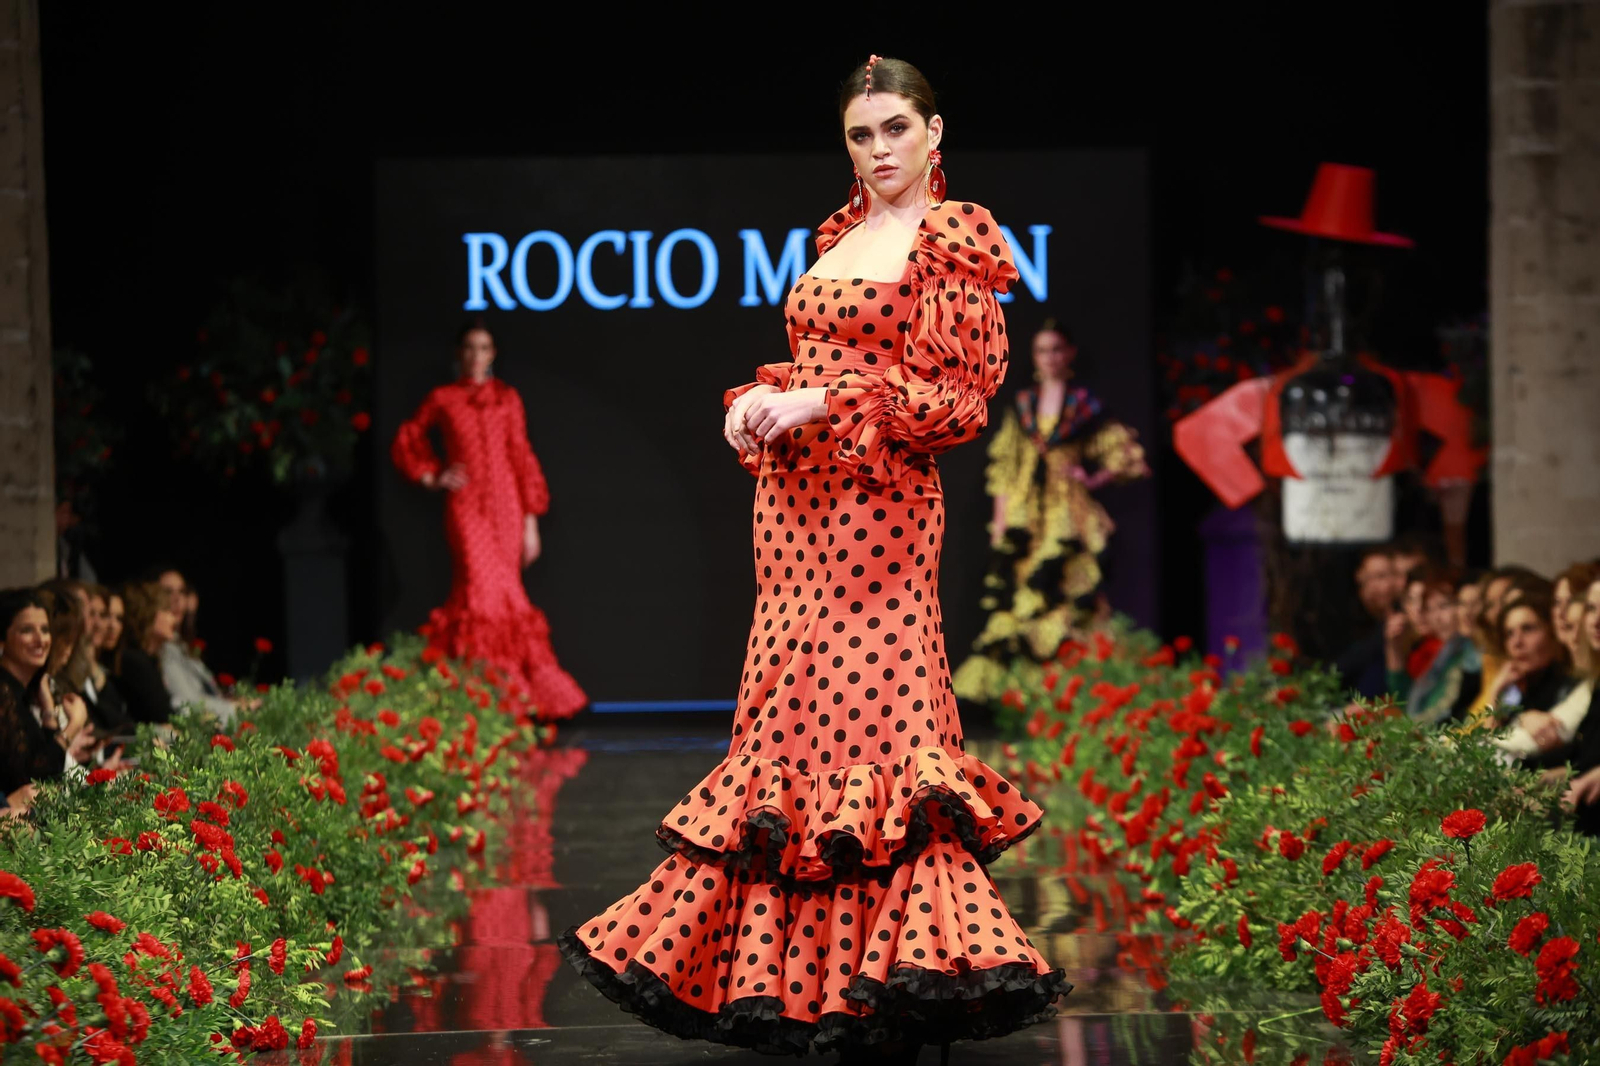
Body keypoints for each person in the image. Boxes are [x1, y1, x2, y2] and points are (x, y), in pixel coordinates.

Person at [559, 56, 1069, 1062]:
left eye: (892, 128)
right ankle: (803, 984)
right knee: (789, 723)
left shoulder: (950, 238)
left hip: (877, 517)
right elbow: (822, 364)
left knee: (880, 727)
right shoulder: (839, 236)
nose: (876, 150)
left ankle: (899, 976)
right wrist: (762, 401)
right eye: (858, 133)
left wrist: (827, 402)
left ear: (932, 132)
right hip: (791, 511)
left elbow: (956, 402)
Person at [392, 320, 586, 721]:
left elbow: (521, 455)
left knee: (505, 599)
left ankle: (499, 703)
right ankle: (486, 702)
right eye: (469, 347)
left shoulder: (507, 399)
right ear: (459, 353)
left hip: (508, 510)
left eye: (484, 348)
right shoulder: (444, 398)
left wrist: (530, 521)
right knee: (480, 598)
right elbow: (409, 436)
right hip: (467, 508)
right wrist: (433, 475)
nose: (476, 355)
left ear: (492, 353)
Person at [951, 320, 1148, 703]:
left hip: (1067, 511)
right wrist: (1002, 523)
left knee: (1070, 590)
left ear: (1069, 354)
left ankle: (1076, 695)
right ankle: (1028, 699)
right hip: (1028, 514)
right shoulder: (1023, 406)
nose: (1051, 358)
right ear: (1034, 356)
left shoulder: (1083, 405)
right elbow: (1005, 467)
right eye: (1043, 350)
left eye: (1057, 349)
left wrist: (1092, 479)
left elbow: (1123, 451)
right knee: (1026, 595)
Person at [0, 589, 95, 815]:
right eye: (26, 630)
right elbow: (35, 775)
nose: (40, 639)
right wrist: (73, 726)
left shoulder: (20, 690)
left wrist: (48, 712)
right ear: (3, 639)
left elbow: (47, 770)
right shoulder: (3, 691)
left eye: (44, 630)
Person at [1496, 569, 1595, 763]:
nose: (1517, 643)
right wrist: (1497, 691)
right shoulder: (1522, 682)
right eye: (1509, 633)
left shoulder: (1571, 679)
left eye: (1528, 629)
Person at [150, 568, 238, 724]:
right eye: (168, 592)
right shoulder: (163, 648)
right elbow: (187, 702)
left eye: (182, 592)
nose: (177, 599)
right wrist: (232, 707)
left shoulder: (180, 644)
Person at [1402, 567, 1481, 726]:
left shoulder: (1472, 653)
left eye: (1444, 606)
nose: (1437, 618)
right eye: (1429, 609)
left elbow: (1448, 711)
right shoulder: (1448, 651)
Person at [1333, 546, 1403, 698]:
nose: (1372, 586)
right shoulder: (1353, 615)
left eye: (1381, 576)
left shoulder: (1399, 620)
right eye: (1367, 579)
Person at [113, 581, 181, 726]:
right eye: (167, 611)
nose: (173, 619)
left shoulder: (150, 659)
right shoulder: (135, 661)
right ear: (149, 613)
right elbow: (162, 716)